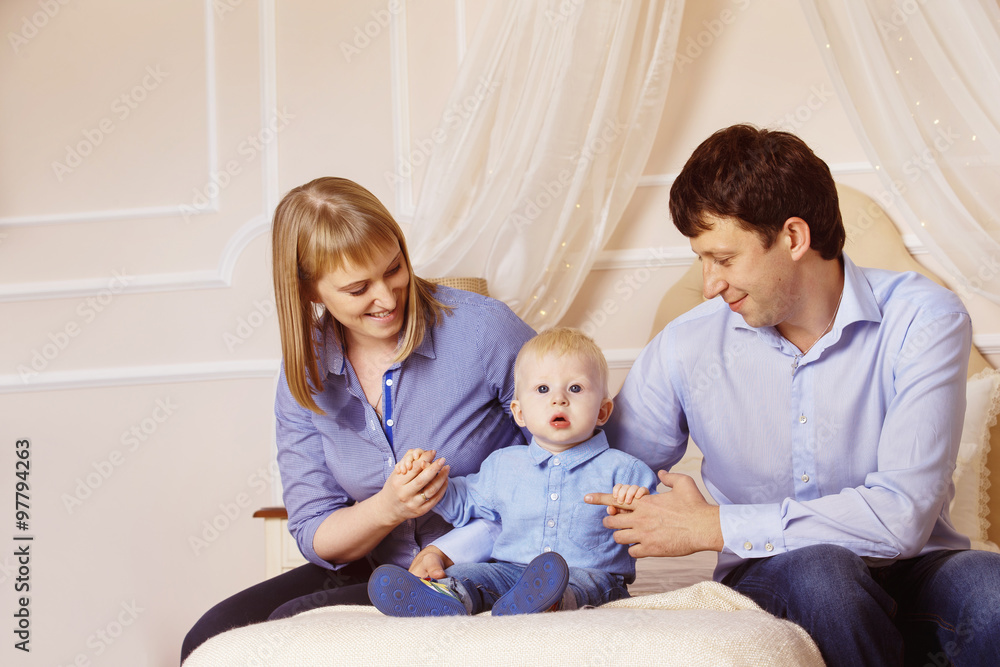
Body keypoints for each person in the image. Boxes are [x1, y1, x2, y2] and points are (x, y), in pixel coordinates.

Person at [585, 124, 1000, 665]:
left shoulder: (923, 319)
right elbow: (598, 472)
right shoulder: (685, 345)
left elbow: (902, 517)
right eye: (702, 260)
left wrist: (713, 525)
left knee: (992, 589)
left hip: (916, 565)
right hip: (775, 574)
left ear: (794, 237)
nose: (709, 283)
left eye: (725, 259)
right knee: (824, 571)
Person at [181, 177, 535, 662]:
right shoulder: (303, 373)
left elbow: (573, 444)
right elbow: (314, 530)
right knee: (209, 637)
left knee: (292, 626)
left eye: (394, 270)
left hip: (484, 561)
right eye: (357, 288)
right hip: (377, 568)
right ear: (309, 289)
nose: (387, 298)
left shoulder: (483, 329)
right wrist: (389, 507)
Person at [367, 327, 658, 616]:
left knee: (584, 585)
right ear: (520, 413)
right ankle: (444, 596)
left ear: (603, 412)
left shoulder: (625, 470)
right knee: (472, 573)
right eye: (543, 389)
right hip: (508, 570)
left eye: (576, 388)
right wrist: (425, 476)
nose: (559, 399)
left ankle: (553, 601)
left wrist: (635, 506)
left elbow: (654, 526)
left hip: (589, 573)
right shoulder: (503, 464)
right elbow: (465, 503)